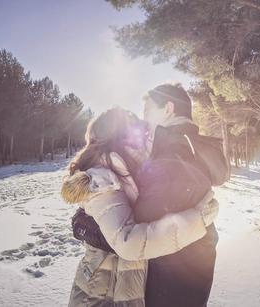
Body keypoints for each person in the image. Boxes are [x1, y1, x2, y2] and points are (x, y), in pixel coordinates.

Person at [73, 83, 228, 306]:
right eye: (136, 128)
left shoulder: (134, 169)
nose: (145, 131)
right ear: (119, 138)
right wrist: (198, 220)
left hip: (126, 286)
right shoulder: (101, 176)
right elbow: (129, 243)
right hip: (102, 292)